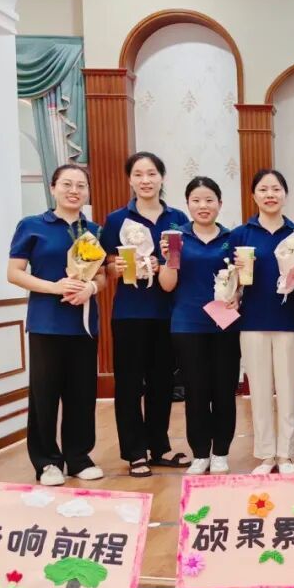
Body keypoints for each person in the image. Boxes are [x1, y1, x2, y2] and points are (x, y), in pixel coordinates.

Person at [8, 164, 107, 486]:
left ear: (87, 192)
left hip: (83, 325)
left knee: (82, 394)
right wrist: (54, 287)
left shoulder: (93, 230)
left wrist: (90, 288)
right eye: (67, 184)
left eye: (80, 185)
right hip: (46, 324)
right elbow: (14, 273)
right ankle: (47, 462)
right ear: (53, 188)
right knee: (44, 395)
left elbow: (103, 276)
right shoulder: (32, 225)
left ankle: (78, 458)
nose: (74, 190)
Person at [100, 152, 189, 478]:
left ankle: (159, 446)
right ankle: (135, 452)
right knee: (128, 383)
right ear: (130, 180)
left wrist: (162, 264)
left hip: (167, 312)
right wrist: (121, 266)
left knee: (162, 383)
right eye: (138, 174)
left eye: (152, 173)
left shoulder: (178, 219)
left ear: (161, 177)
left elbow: (180, 263)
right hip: (129, 313)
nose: (146, 180)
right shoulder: (116, 220)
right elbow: (106, 266)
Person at [159, 177, 239, 475]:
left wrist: (237, 297)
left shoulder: (232, 238)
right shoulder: (177, 238)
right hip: (187, 325)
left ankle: (221, 452)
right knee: (196, 391)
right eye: (196, 200)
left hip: (225, 325)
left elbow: (241, 283)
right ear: (188, 204)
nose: (203, 206)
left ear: (220, 203)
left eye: (209, 200)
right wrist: (169, 259)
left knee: (224, 390)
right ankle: (200, 453)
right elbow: (167, 285)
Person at [230, 169, 294, 476]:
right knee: (259, 391)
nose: (270, 195)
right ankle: (265, 455)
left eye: (276, 189)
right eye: (263, 189)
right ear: (254, 196)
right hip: (252, 320)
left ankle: (286, 454)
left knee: (288, 390)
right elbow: (229, 281)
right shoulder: (241, 234)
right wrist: (235, 275)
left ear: (285, 195)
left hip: (289, 320)